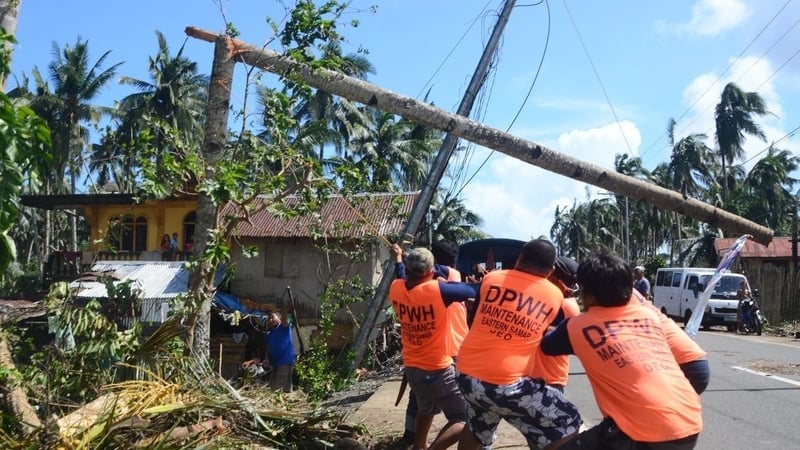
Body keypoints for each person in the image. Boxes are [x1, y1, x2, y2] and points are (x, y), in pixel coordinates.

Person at [542, 250, 706, 449]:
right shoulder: (649, 316)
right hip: (689, 420)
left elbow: (547, 344)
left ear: (588, 295)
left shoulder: (577, 327)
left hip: (646, 432)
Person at [455, 239, 582, 450]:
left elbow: (473, 318)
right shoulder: (554, 296)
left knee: (478, 426)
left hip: (465, 375)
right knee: (567, 420)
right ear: (550, 271)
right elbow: (552, 338)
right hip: (504, 385)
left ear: (520, 258)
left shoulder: (492, 278)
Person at [388, 247, 478, 450]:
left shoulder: (396, 288)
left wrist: (398, 258)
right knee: (464, 418)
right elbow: (473, 290)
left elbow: (401, 275)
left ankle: (419, 446)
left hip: (413, 368)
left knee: (426, 408)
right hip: (437, 369)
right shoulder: (438, 290)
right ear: (431, 271)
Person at [529, 256, 582, 393]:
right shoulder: (549, 298)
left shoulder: (566, 306)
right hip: (531, 375)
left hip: (548, 379)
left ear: (553, 277)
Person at [264, 311, 296, 392]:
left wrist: (284, 309)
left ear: (279, 318)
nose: (271, 320)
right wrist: (266, 359)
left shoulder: (284, 328)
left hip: (285, 362)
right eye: (269, 319)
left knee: (278, 389)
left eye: (272, 317)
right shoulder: (270, 334)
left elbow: (285, 320)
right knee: (274, 387)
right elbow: (268, 348)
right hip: (275, 364)